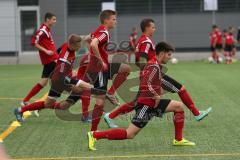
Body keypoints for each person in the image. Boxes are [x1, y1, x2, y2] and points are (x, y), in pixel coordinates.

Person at [103, 19, 212, 129]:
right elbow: (141, 59)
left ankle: (110, 116)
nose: (154, 29)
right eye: (153, 27)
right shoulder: (145, 41)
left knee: (137, 101)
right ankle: (196, 113)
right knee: (181, 88)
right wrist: (148, 73)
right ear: (147, 28)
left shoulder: (142, 40)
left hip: (150, 74)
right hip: (154, 74)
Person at [87, 42, 196, 151]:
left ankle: (178, 139)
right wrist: (156, 94)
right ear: (162, 53)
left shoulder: (154, 64)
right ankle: (95, 135)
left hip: (152, 103)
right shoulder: (154, 66)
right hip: (146, 105)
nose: (170, 57)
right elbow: (146, 83)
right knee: (129, 134)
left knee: (179, 106)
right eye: (169, 55)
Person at [14, 34, 93, 122]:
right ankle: (85, 116)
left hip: (62, 77)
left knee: (63, 105)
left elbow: (57, 52)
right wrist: (78, 82)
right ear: (73, 45)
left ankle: (22, 110)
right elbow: (62, 77)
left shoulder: (66, 45)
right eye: (78, 46)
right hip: (58, 81)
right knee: (82, 89)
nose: (79, 47)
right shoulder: (64, 59)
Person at [82, 10, 131, 131]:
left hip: (100, 66)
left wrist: (94, 56)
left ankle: (110, 92)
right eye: (113, 19)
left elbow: (87, 39)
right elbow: (93, 44)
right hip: (99, 68)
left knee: (125, 69)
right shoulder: (104, 32)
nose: (115, 21)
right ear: (106, 20)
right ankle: (93, 131)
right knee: (100, 101)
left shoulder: (99, 30)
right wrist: (100, 60)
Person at [21, 12, 58, 108]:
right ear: (47, 19)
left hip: (51, 61)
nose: (55, 21)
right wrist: (46, 51)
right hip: (51, 61)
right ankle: (76, 96)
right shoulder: (43, 30)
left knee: (44, 83)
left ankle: (26, 101)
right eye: (53, 19)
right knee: (61, 80)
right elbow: (33, 42)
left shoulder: (47, 30)